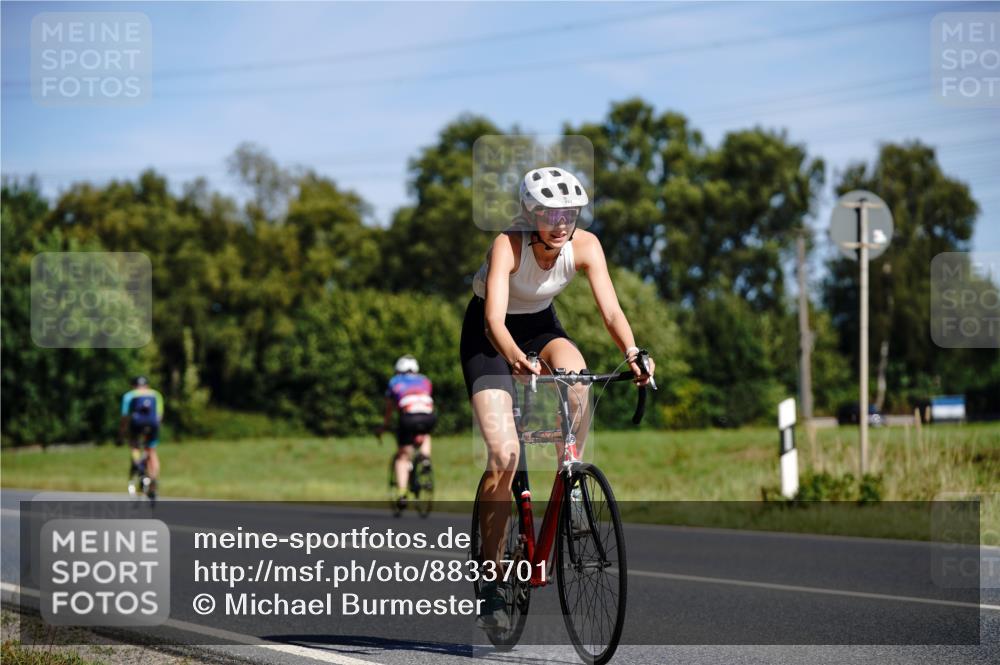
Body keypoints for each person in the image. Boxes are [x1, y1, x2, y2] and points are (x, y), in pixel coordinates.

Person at [460, 167, 655, 630]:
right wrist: (513, 358)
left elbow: (610, 309)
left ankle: (572, 478)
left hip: (542, 325)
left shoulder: (585, 246)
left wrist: (632, 351)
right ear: (530, 215)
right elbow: (494, 321)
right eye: (550, 214)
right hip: (490, 338)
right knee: (504, 457)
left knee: (579, 378)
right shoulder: (507, 244)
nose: (562, 222)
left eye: (570, 213)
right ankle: (490, 575)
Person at [377, 355, 436, 509]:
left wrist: (384, 426)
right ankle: (425, 458)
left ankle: (402, 493)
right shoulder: (425, 380)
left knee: (403, 456)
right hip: (428, 416)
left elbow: (390, 409)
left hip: (408, 417)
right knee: (425, 434)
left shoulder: (394, 381)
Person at [118, 376, 165, 499]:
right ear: (147, 385)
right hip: (152, 425)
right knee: (152, 451)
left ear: (134, 386)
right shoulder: (156, 394)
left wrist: (122, 433)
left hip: (136, 425)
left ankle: (138, 466)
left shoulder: (129, 396)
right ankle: (153, 479)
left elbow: (124, 417)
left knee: (134, 445)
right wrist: (155, 431)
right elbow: (159, 416)